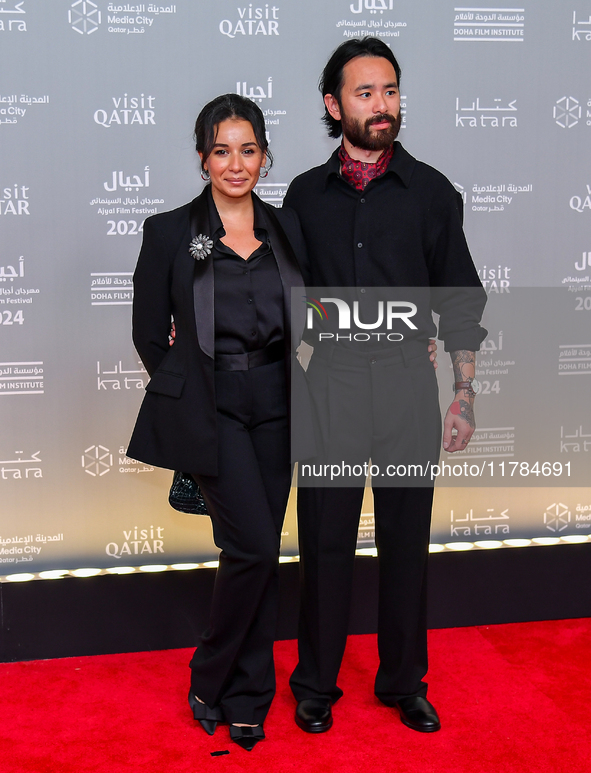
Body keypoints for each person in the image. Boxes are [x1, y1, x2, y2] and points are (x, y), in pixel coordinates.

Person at [285, 38, 487, 735]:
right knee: (324, 541)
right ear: (332, 104)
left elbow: (459, 299)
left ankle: (404, 681)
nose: (381, 104)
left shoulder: (432, 192)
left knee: (405, 541)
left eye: (390, 90)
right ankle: (315, 682)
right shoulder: (303, 195)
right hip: (332, 387)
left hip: (407, 387)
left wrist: (462, 391)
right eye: (365, 93)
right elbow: (286, 297)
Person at [127, 94, 311, 751]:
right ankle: (210, 674)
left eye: (248, 149)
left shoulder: (288, 228)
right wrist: (189, 390)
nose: (236, 164)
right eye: (221, 150)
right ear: (202, 156)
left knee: (251, 553)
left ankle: (247, 695)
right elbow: (150, 334)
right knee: (255, 547)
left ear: (264, 155)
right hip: (213, 408)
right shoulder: (173, 231)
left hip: (281, 405)